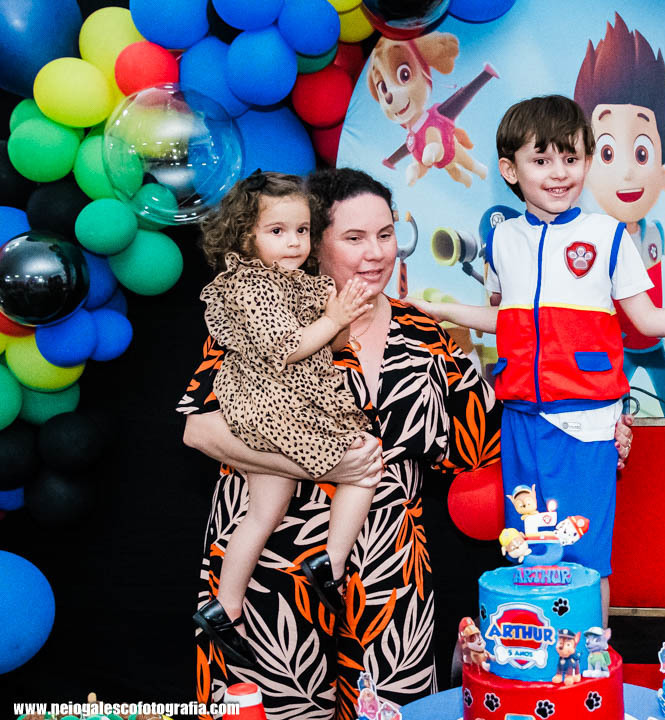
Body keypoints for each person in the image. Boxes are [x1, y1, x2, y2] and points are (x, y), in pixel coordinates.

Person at [179, 167, 634, 717]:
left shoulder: (423, 333)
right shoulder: (265, 316)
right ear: (314, 241)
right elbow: (198, 429)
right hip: (268, 576)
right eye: (354, 237)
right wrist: (327, 465)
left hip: (390, 589)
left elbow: (490, 436)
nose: (376, 253)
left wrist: (591, 427)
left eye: (386, 233)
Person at [416, 95, 665, 620]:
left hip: (585, 421)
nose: (559, 173)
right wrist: (440, 311)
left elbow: (647, 320)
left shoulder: (608, 235)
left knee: (583, 556)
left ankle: (590, 658)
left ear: (588, 161)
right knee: (527, 550)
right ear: (510, 169)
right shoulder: (501, 240)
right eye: (542, 160)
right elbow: (507, 319)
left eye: (571, 158)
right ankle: (535, 657)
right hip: (519, 420)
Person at [191, 171, 380, 670]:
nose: (294, 242)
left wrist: (341, 319)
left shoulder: (298, 283)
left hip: (285, 401)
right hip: (272, 405)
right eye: (277, 231)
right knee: (363, 465)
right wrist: (334, 318)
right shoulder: (250, 284)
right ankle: (330, 564)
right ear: (245, 236)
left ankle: (225, 607)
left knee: (264, 513)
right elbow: (288, 347)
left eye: (302, 230)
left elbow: (329, 347)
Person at [574, 13, 665, 417]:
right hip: (618, 347)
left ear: (662, 172)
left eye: (642, 153)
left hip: (655, 342)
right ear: (586, 170)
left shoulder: (659, 233)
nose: (628, 172)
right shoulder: (593, 240)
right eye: (608, 153)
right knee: (608, 411)